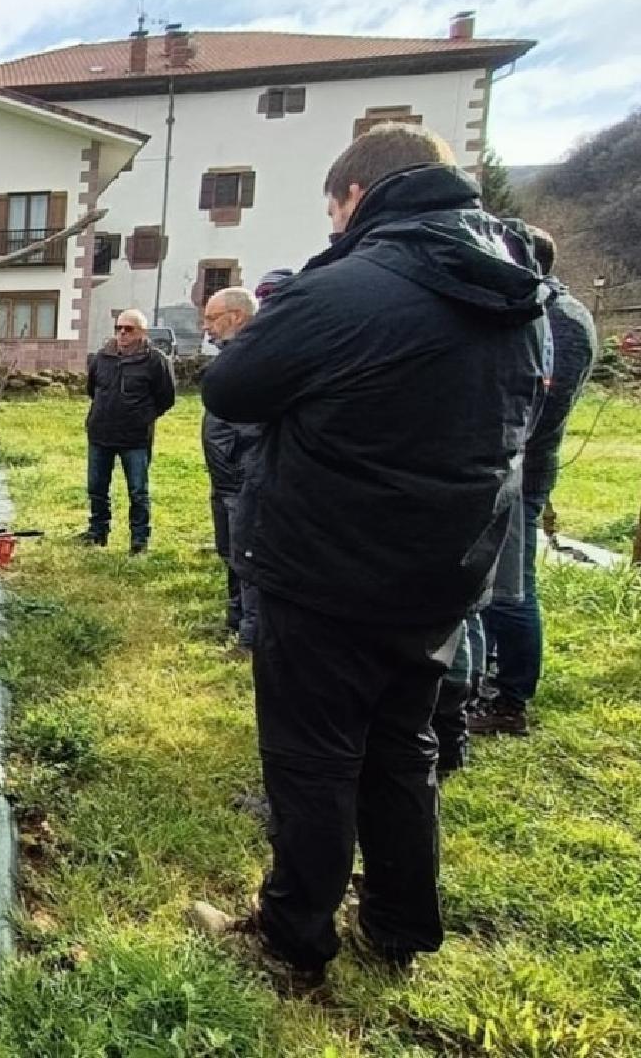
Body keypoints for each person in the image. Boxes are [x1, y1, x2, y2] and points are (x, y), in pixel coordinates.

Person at [193, 124, 546, 986]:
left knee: (313, 758)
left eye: (332, 211)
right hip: (443, 571)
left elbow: (233, 385)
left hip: (328, 570)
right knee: (403, 745)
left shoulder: (348, 286)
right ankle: (399, 926)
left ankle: (293, 938)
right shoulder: (517, 295)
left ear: (356, 196)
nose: (333, 226)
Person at [471, 228, 599, 738]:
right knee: (492, 585)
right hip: (502, 465)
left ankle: (510, 701)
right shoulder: (543, 308)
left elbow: (540, 406)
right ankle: (490, 680)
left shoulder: (560, 320)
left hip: (519, 471)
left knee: (509, 589)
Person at [82, 308, 176, 554]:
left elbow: (166, 397)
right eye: (119, 328)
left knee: (138, 490)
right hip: (101, 433)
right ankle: (97, 532)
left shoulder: (156, 361)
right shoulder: (101, 357)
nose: (122, 333)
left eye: (129, 329)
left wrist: (143, 416)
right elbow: (92, 389)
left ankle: (139, 539)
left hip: (135, 437)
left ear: (142, 332)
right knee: (96, 487)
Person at [199, 287, 261, 654]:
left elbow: (254, 425)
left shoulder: (256, 357)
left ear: (235, 316)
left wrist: (242, 464)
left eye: (211, 318)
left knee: (249, 560)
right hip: (223, 480)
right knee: (230, 553)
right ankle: (234, 621)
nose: (206, 327)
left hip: (244, 480)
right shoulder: (233, 356)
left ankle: (251, 638)